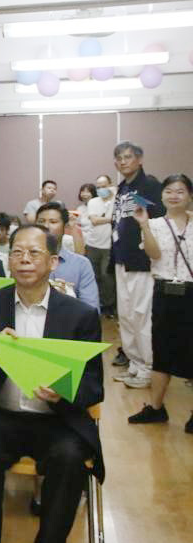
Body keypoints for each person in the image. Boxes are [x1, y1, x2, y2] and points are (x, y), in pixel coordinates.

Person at [0, 224, 103, 543]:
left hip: (57, 420)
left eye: (34, 253)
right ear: (8, 260)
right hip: (0, 415)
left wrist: (63, 392)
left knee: (70, 459)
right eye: (17, 252)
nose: (24, 260)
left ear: (53, 262)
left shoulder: (79, 315)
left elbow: (94, 385)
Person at [127, 174, 193, 430]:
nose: (174, 195)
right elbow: (154, 255)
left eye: (180, 191)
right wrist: (143, 225)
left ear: (189, 195)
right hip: (165, 292)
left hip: (191, 291)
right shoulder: (153, 223)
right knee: (161, 348)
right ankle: (156, 408)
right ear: (162, 195)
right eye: (169, 190)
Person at [111, 140, 164, 389]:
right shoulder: (122, 188)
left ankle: (148, 368)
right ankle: (134, 364)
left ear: (140, 160)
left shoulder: (149, 185)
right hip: (122, 259)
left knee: (142, 316)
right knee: (126, 316)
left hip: (142, 260)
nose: (123, 161)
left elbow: (158, 218)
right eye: (119, 158)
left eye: (128, 157)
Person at [35, 203, 99, 311]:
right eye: (41, 221)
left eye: (53, 222)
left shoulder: (81, 264)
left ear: (65, 227)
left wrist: (67, 300)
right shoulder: (23, 261)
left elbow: (92, 311)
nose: (45, 226)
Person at [84, 179, 116, 318]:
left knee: (107, 277)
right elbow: (94, 221)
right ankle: (94, 305)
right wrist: (111, 218)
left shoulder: (117, 201)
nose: (101, 189)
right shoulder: (93, 202)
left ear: (110, 186)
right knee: (93, 276)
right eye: (98, 187)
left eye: (104, 186)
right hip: (92, 244)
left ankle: (108, 306)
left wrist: (106, 218)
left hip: (110, 246)